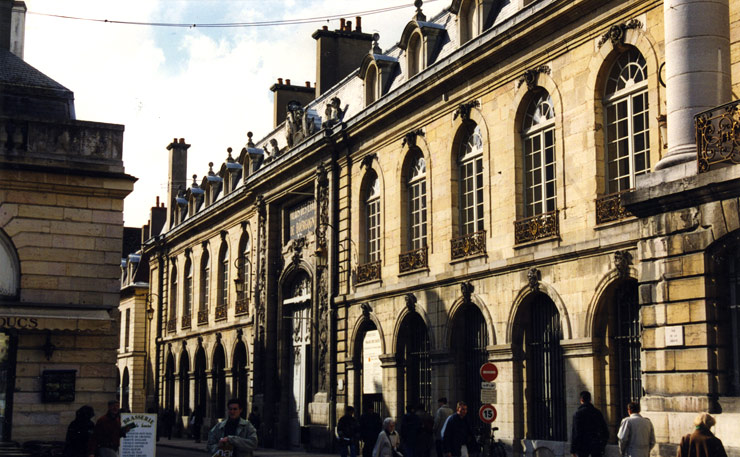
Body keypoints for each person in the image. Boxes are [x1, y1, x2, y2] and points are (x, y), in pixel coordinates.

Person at [570, 391, 609, 457]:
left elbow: (576, 433)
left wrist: (573, 450)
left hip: (582, 448)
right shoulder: (597, 413)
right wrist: (602, 445)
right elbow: (605, 431)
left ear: (581, 400)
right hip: (596, 446)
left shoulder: (578, 414)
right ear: (590, 400)